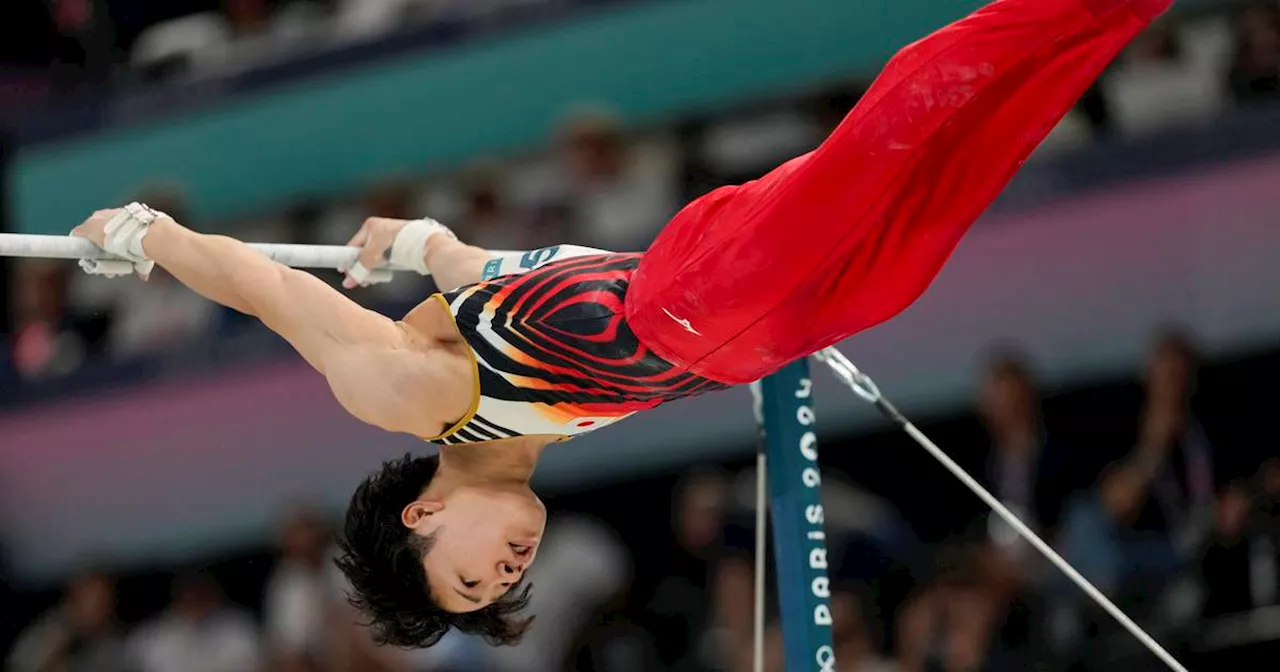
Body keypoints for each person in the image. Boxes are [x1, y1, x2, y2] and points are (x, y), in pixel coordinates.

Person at [70, 0, 1173, 650]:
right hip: (783, 317)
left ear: (420, 510)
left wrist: (144, 233)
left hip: (698, 292)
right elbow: (512, 286)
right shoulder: (519, 406)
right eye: (501, 591)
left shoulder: (405, 393)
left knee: (908, 119)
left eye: (470, 578)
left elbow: (269, 292)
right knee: (989, 138)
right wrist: (431, 251)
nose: (503, 572)